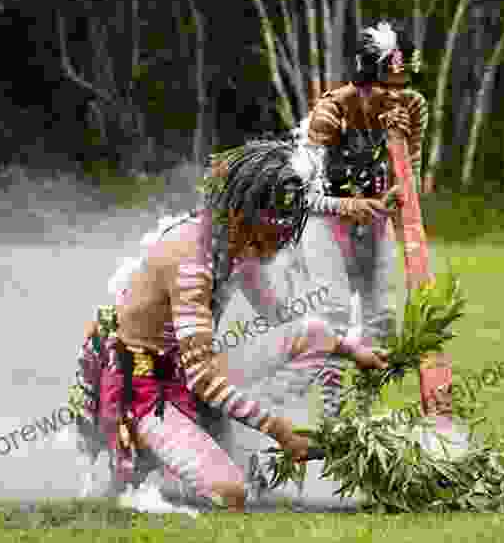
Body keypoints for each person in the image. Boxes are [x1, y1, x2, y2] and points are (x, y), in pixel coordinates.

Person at [73, 137, 389, 512]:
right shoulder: (191, 258)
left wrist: (355, 351)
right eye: (274, 232)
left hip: (188, 372)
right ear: (242, 216)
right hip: (144, 388)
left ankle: (223, 435)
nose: (280, 244)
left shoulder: (240, 247)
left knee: (316, 333)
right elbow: (202, 378)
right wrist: (278, 430)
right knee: (232, 491)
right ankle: (150, 461)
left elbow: (283, 320)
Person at [302, 19, 430, 419]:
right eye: (384, 87)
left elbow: (409, 183)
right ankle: (331, 412)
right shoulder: (331, 110)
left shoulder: (412, 107)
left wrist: (396, 191)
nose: (395, 97)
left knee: (384, 317)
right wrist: (348, 207)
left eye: (401, 86)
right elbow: (299, 195)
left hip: (375, 223)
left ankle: (363, 412)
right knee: (335, 313)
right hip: (327, 222)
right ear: (362, 80)